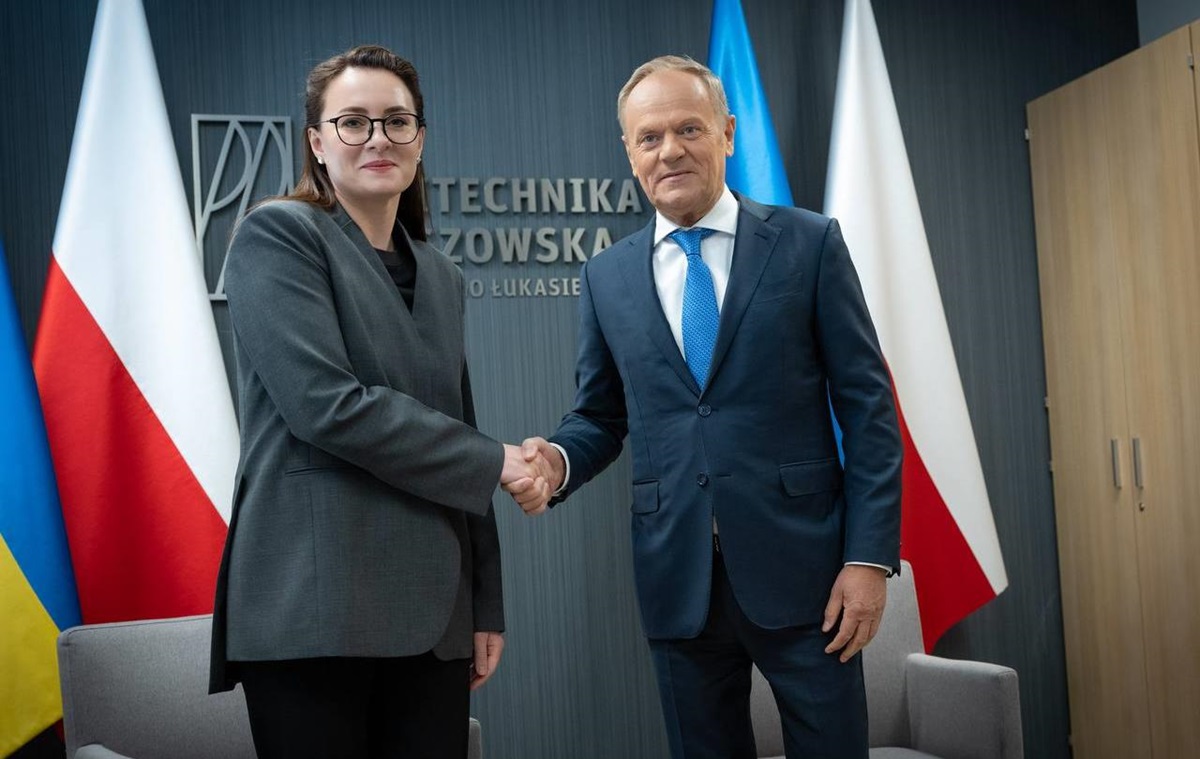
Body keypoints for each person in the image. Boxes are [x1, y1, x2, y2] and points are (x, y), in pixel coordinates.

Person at [512, 55, 903, 758]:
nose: (670, 150)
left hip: (809, 576)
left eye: (688, 128)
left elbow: (868, 410)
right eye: (650, 136)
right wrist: (559, 460)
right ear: (630, 152)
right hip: (679, 581)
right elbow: (601, 415)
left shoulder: (809, 244)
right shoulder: (606, 276)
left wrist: (869, 559)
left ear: (727, 133)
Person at [208, 45, 548, 758]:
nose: (377, 139)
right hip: (314, 607)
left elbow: (459, 430)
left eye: (397, 121)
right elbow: (326, 405)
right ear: (317, 142)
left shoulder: (443, 274)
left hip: (436, 617)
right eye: (353, 122)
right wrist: (498, 461)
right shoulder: (277, 233)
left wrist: (485, 601)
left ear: (420, 139)